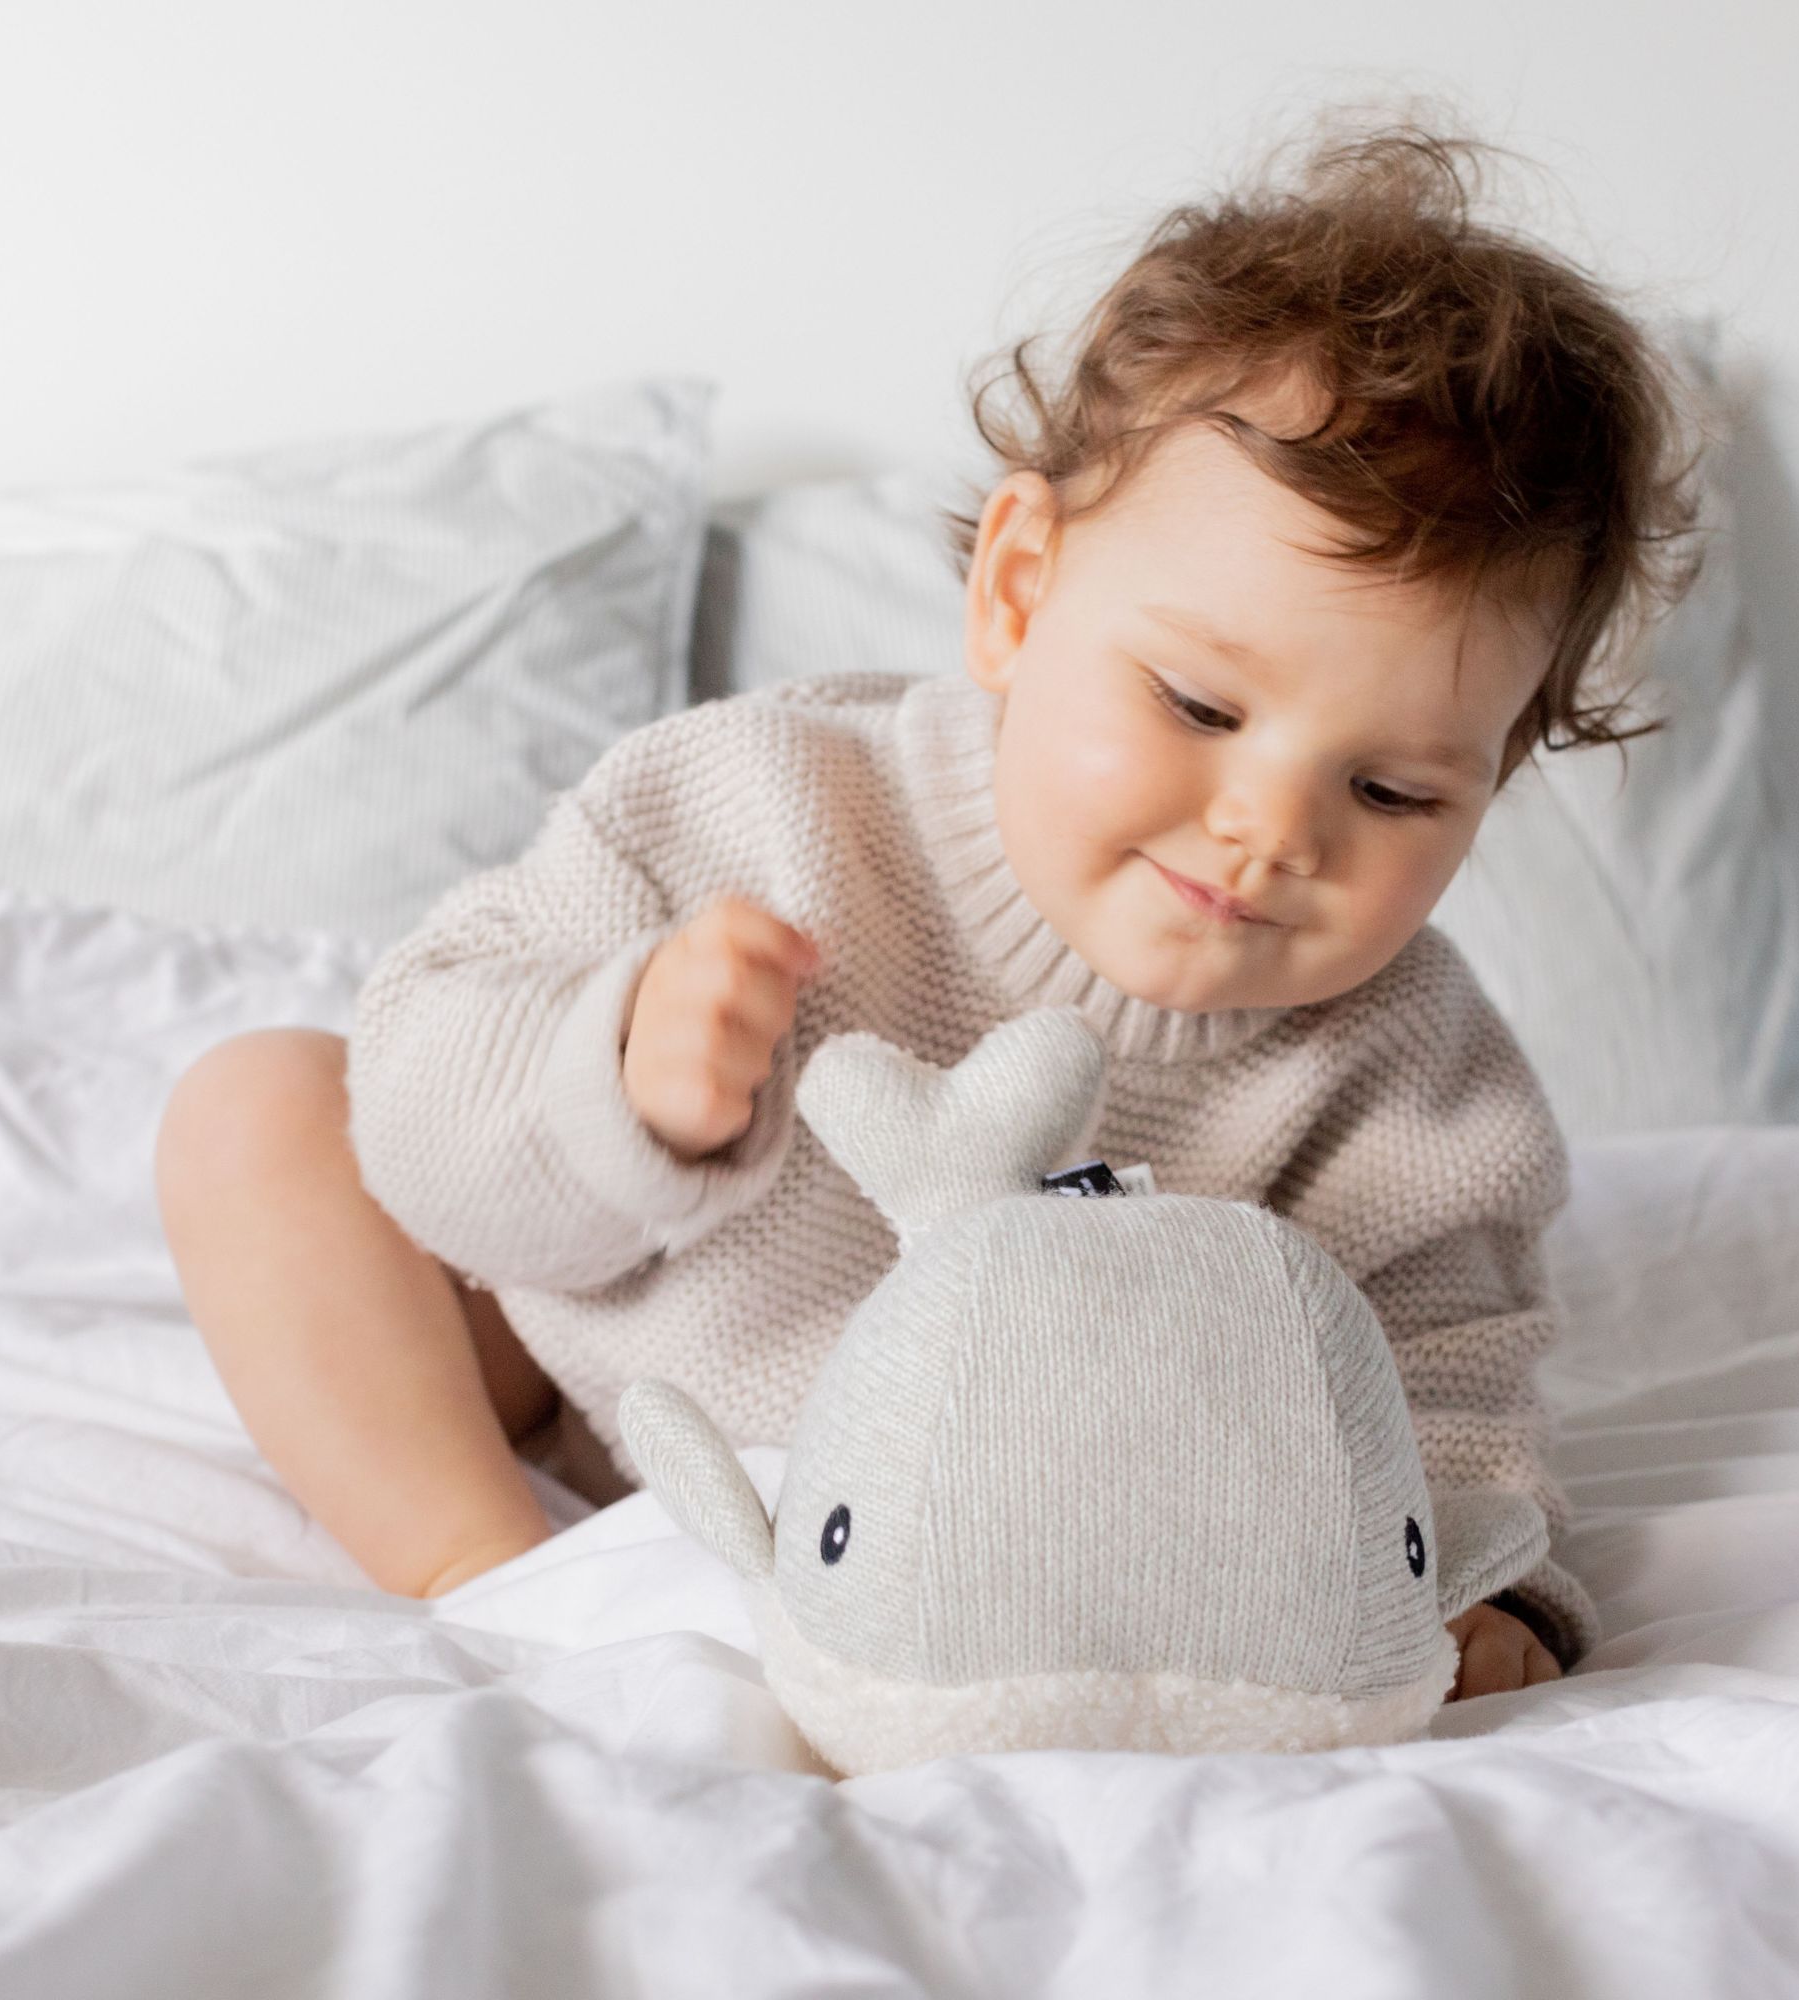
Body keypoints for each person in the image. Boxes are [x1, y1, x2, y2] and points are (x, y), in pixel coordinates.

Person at [155, 120, 1702, 1701]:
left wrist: (1461, 1579)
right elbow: (431, 1134)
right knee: (264, 1112)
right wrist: (618, 1074)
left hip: (999, 1537)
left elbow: (1445, 1386)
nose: (1270, 832)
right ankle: (497, 1580)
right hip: (604, 1370)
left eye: (1394, 795)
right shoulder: (755, 807)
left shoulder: (1414, 1085)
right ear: (1019, 592)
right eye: (1198, 704)